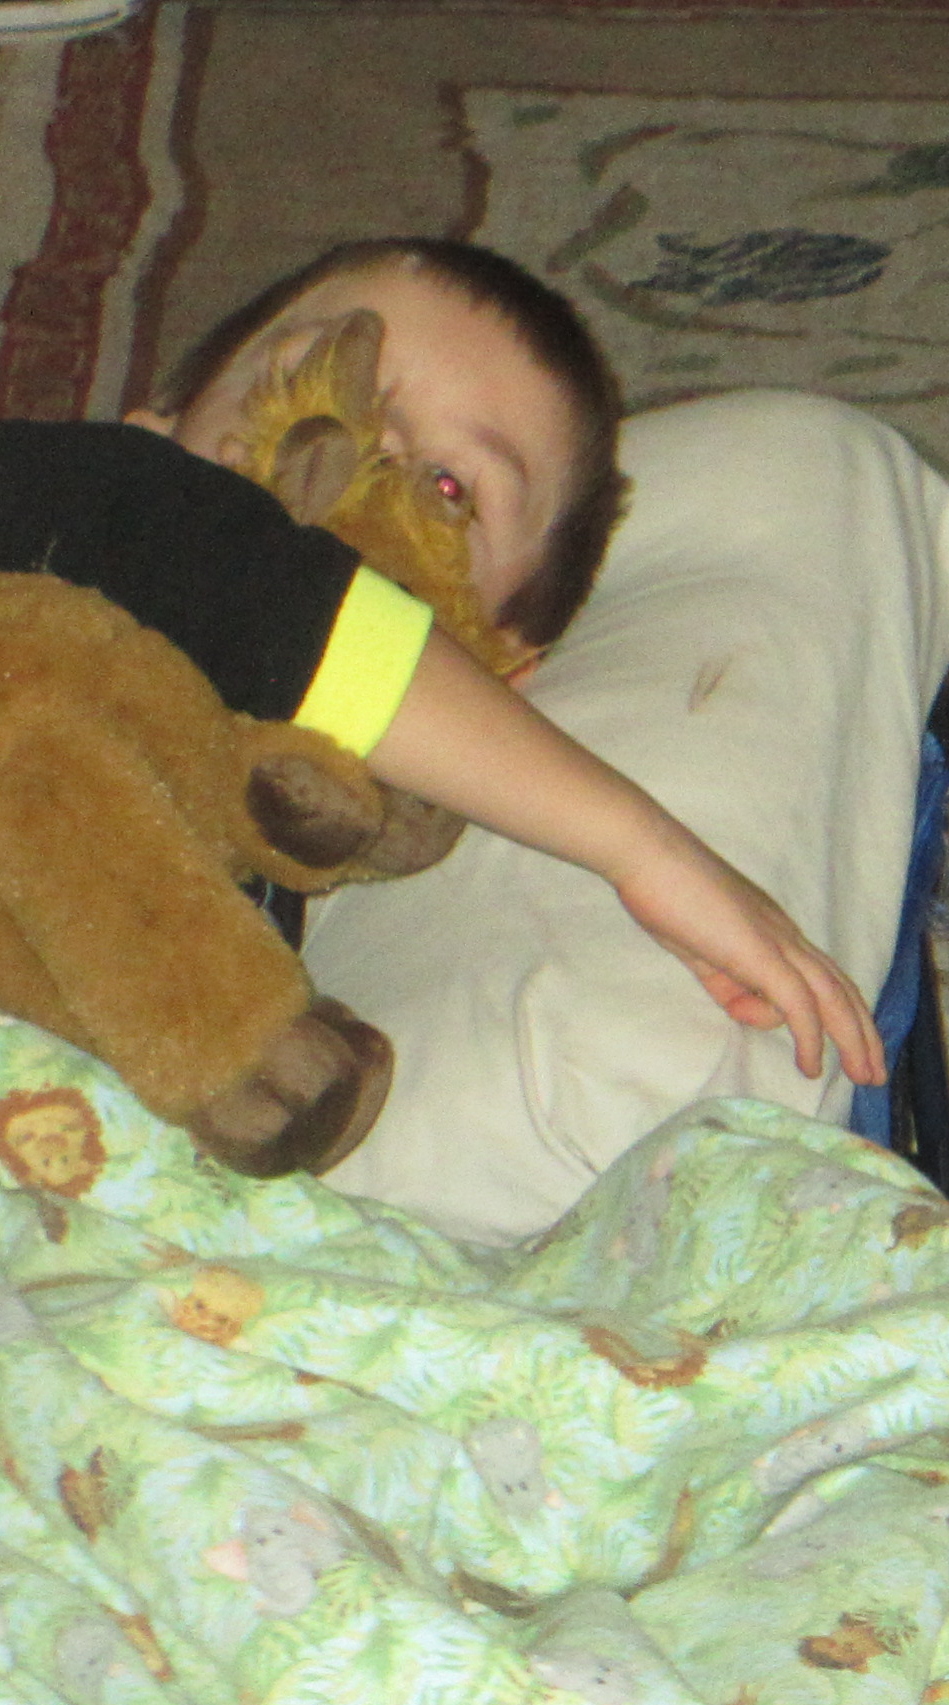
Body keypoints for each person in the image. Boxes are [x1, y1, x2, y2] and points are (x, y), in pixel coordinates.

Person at [0, 237, 883, 1125]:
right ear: (149, 429)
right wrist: (641, 846)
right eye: (320, 375)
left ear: (494, 670)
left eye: (450, 487)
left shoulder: (279, 822)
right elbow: (237, 575)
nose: (374, 447)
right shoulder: (72, 487)